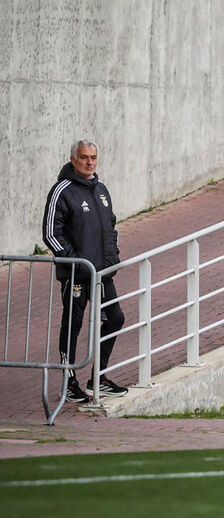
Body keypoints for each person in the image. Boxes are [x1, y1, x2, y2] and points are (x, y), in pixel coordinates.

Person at [42, 140, 129, 402]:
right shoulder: (62, 190)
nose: (89, 162)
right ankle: (69, 382)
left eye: (93, 158)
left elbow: (111, 227)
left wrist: (112, 255)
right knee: (73, 325)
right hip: (77, 275)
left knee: (115, 318)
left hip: (102, 273)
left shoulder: (101, 190)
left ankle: (98, 378)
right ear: (73, 159)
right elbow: (50, 233)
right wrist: (76, 262)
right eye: (84, 157)